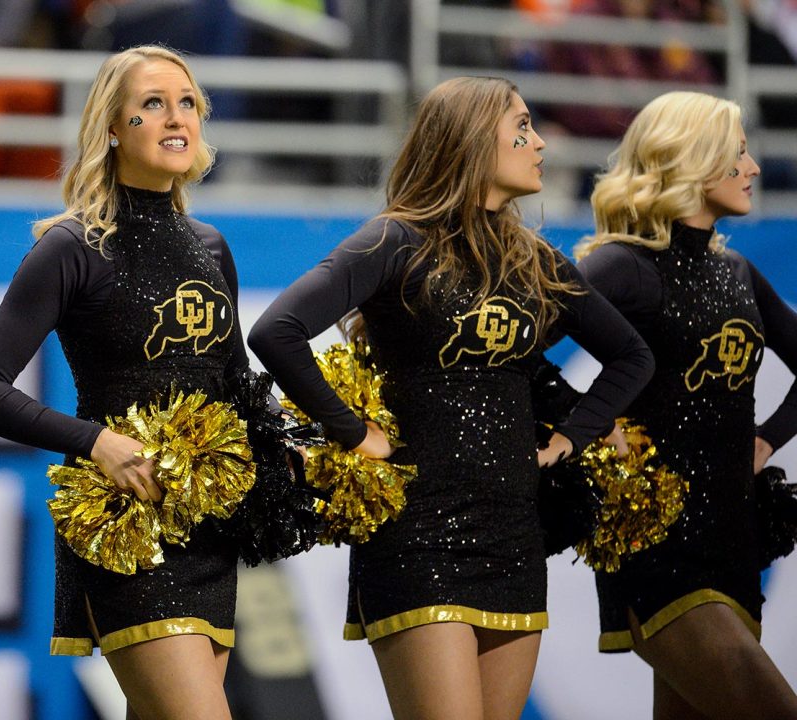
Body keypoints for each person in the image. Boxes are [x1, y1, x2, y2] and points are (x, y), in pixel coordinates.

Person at [247, 76, 654, 720]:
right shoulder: (393, 240)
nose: (541, 142)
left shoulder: (535, 260)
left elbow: (632, 355)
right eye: (521, 128)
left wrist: (573, 434)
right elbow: (276, 330)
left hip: (514, 536)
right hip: (418, 535)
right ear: (468, 142)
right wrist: (350, 431)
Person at [0, 46, 249, 719]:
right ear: (113, 128)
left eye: (186, 102)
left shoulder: (211, 248)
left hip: (207, 536)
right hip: (127, 531)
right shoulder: (73, 246)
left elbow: (237, 388)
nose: (174, 117)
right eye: (151, 104)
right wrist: (97, 443)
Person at [575, 91, 797, 719]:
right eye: (739, 152)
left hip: (735, 538)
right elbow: (520, 348)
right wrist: (595, 425)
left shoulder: (739, 272)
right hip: (658, 542)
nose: (754, 167)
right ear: (696, 161)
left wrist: (767, 438)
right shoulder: (623, 267)